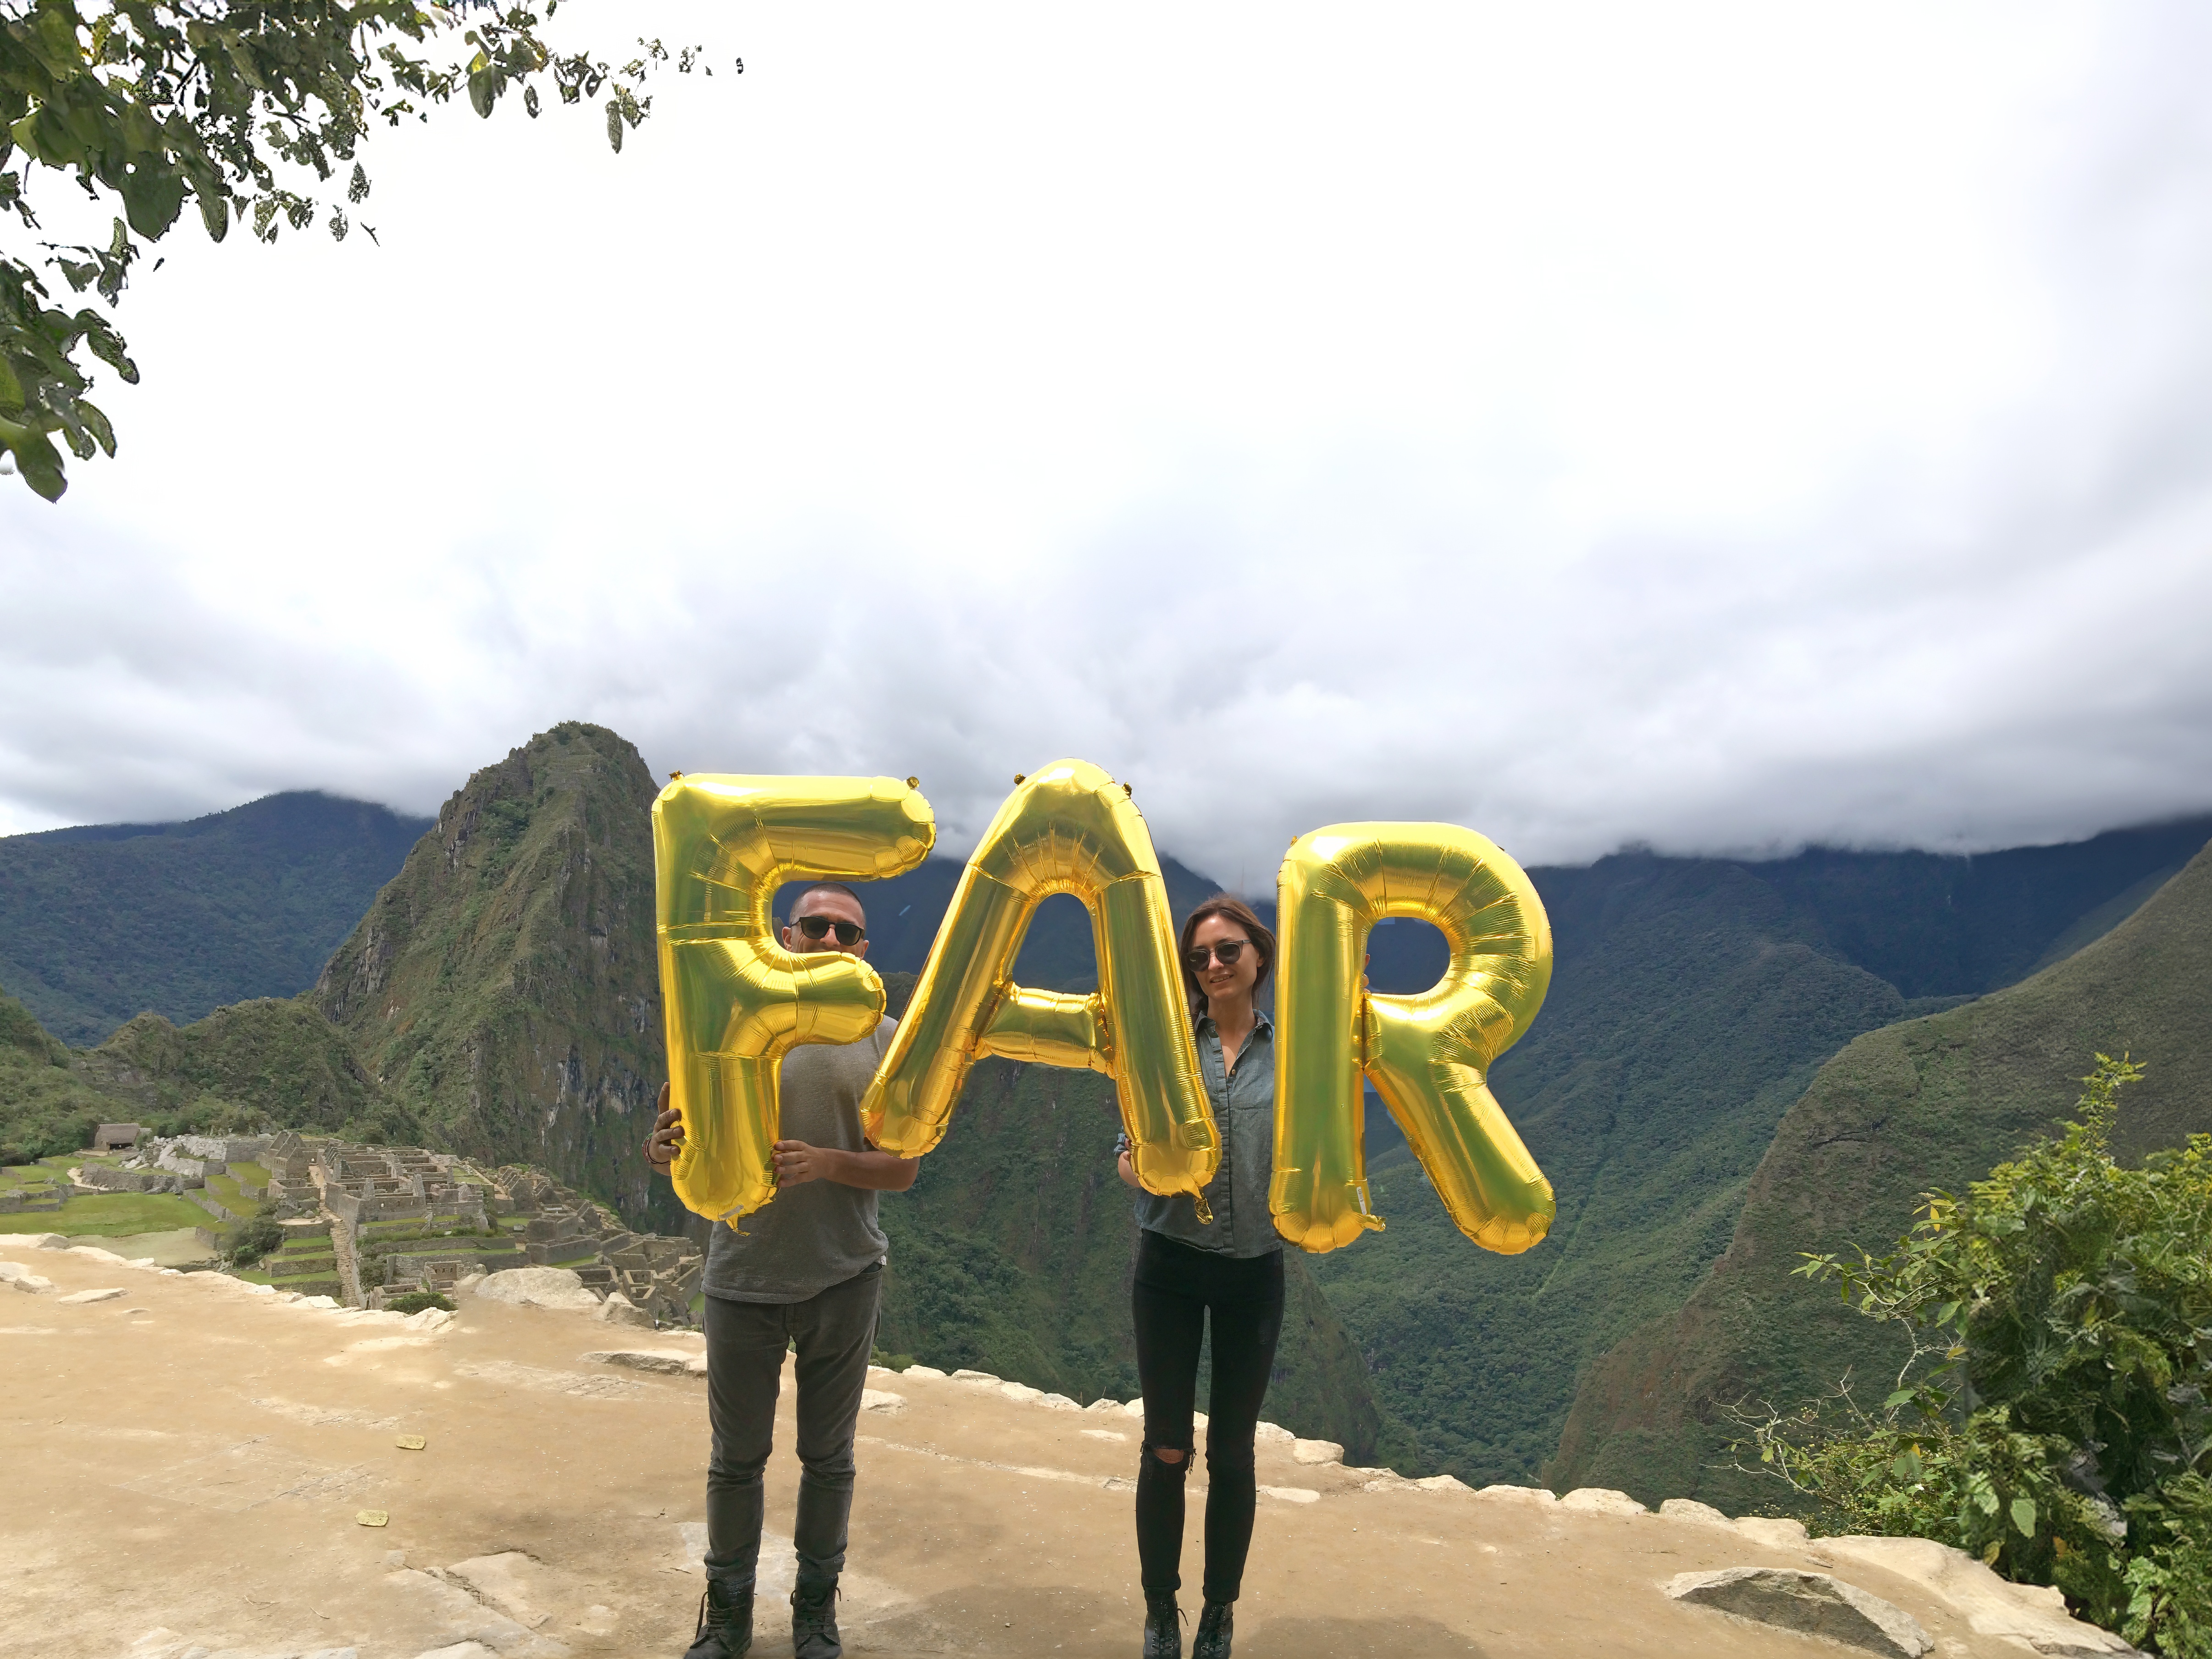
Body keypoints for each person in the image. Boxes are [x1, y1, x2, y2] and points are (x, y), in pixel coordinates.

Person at [646, 880, 918, 1659]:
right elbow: (681, 1137)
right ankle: (728, 1612)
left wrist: (830, 1161)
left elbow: (904, 1168)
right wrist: (662, 1146)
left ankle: (813, 1610)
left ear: (864, 952)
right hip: (742, 1276)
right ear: (785, 935)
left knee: (828, 1459)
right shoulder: (730, 1022)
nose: (832, 940)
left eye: (848, 933)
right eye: (816, 926)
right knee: (736, 1458)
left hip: (844, 1274)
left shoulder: (884, 1036)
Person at [1115, 894, 1283, 1659]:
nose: (1214, 965)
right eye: (1200, 957)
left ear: (1259, 955)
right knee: (1166, 1447)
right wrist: (1146, 1166)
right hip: (1171, 1267)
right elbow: (1124, 1153)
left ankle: (1219, 1612)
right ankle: (1160, 1610)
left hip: (1255, 1270)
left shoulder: (1296, 1050)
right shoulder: (1168, 1048)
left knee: (1235, 1452)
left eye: (1228, 950)